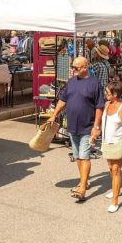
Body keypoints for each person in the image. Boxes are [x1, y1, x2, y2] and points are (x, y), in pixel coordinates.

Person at [47, 56, 105, 203]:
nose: (72, 70)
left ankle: (83, 188)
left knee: (85, 156)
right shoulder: (72, 81)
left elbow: (99, 107)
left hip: (87, 127)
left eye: (75, 68)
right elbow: (63, 100)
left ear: (85, 67)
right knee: (78, 156)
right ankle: (83, 180)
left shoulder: (94, 83)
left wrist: (96, 127)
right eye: (72, 67)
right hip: (72, 126)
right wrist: (54, 115)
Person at [102, 80, 122, 213]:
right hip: (107, 142)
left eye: (107, 92)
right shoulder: (107, 104)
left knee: (116, 170)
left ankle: (115, 200)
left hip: (119, 143)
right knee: (110, 168)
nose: (105, 94)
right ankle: (116, 189)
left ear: (115, 94)